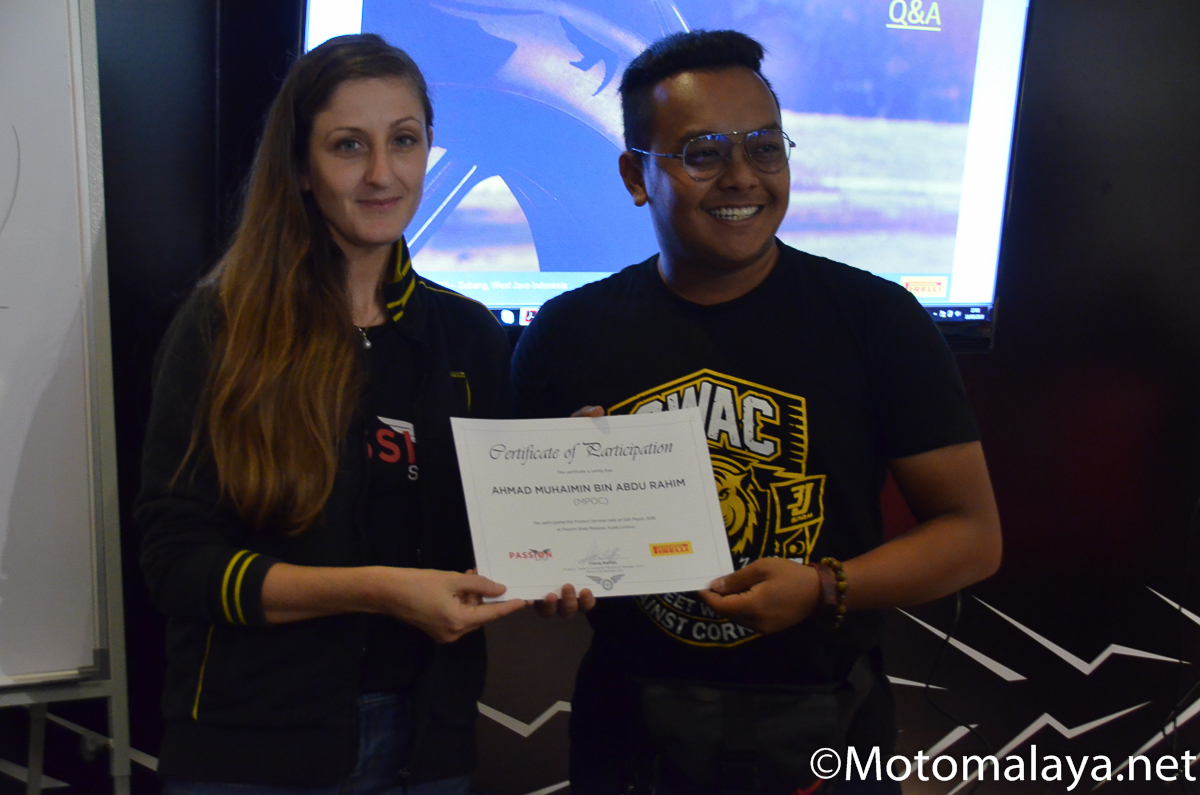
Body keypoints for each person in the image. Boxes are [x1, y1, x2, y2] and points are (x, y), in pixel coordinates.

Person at [515, 30, 1002, 794]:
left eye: (765, 147)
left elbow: (973, 536)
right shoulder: (567, 331)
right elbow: (522, 549)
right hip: (629, 734)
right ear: (636, 176)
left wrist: (824, 586)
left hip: (825, 729)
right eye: (703, 152)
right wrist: (553, 533)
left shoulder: (877, 318)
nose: (742, 176)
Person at [137, 34, 527, 794]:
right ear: (301, 167)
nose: (382, 173)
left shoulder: (469, 334)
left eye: (404, 141)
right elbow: (176, 565)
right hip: (250, 754)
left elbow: (492, 539)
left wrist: (573, 495)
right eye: (349, 145)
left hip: (430, 747)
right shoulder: (222, 327)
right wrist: (376, 589)